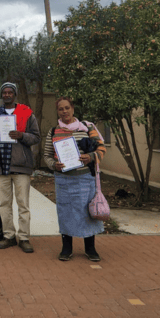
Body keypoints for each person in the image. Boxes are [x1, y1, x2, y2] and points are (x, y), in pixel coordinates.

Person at [43, 97, 106, 262]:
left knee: (87, 212)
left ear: (73, 108)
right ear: (57, 112)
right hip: (63, 179)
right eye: (61, 109)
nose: (64, 112)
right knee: (65, 213)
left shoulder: (87, 128)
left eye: (67, 108)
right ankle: (66, 248)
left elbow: (101, 149)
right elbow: (47, 155)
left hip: (85, 178)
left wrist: (90, 157)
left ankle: (90, 249)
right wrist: (53, 165)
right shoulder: (53, 131)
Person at [0, 82, 41, 253]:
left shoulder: (26, 113)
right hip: (1, 166)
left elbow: (36, 136)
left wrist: (22, 135)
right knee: (4, 204)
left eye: (10, 92)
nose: (7, 95)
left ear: (15, 95)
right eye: (4, 92)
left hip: (21, 166)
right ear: (2, 95)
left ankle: (24, 237)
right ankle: (9, 235)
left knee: (23, 204)